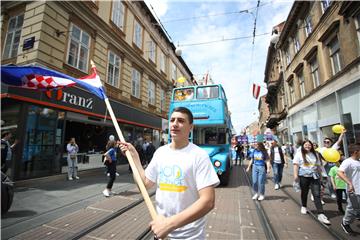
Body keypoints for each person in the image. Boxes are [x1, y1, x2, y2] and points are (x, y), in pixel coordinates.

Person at [119, 107, 220, 239]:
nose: (175, 124)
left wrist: (169, 224)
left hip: (189, 236)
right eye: (172, 120)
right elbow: (144, 184)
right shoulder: (160, 152)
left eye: (181, 120)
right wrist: (134, 158)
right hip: (162, 233)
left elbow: (208, 201)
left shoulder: (199, 156)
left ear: (191, 127)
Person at [293, 140, 330, 225]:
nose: (308, 146)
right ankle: (304, 206)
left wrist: (321, 176)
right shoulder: (299, 154)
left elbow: (318, 166)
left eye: (309, 145)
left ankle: (321, 213)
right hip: (303, 176)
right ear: (303, 146)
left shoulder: (316, 154)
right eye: (306, 145)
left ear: (312, 146)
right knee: (304, 192)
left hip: (314, 176)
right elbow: (296, 165)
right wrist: (295, 176)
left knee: (317, 194)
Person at [337, 143, 360, 234]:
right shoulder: (348, 161)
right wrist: (349, 183)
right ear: (356, 152)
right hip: (354, 191)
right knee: (352, 208)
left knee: (356, 208)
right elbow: (340, 172)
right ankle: (345, 223)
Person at [320, 129, 346, 199]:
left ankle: (342, 193)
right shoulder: (322, 149)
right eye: (325, 142)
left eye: (328, 142)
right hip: (326, 167)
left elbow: (339, 141)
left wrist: (342, 133)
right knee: (330, 181)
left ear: (331, 143)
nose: (326, 143)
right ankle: (332, 192)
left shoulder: (333, 148)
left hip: (335, 166)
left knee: (340, 179)